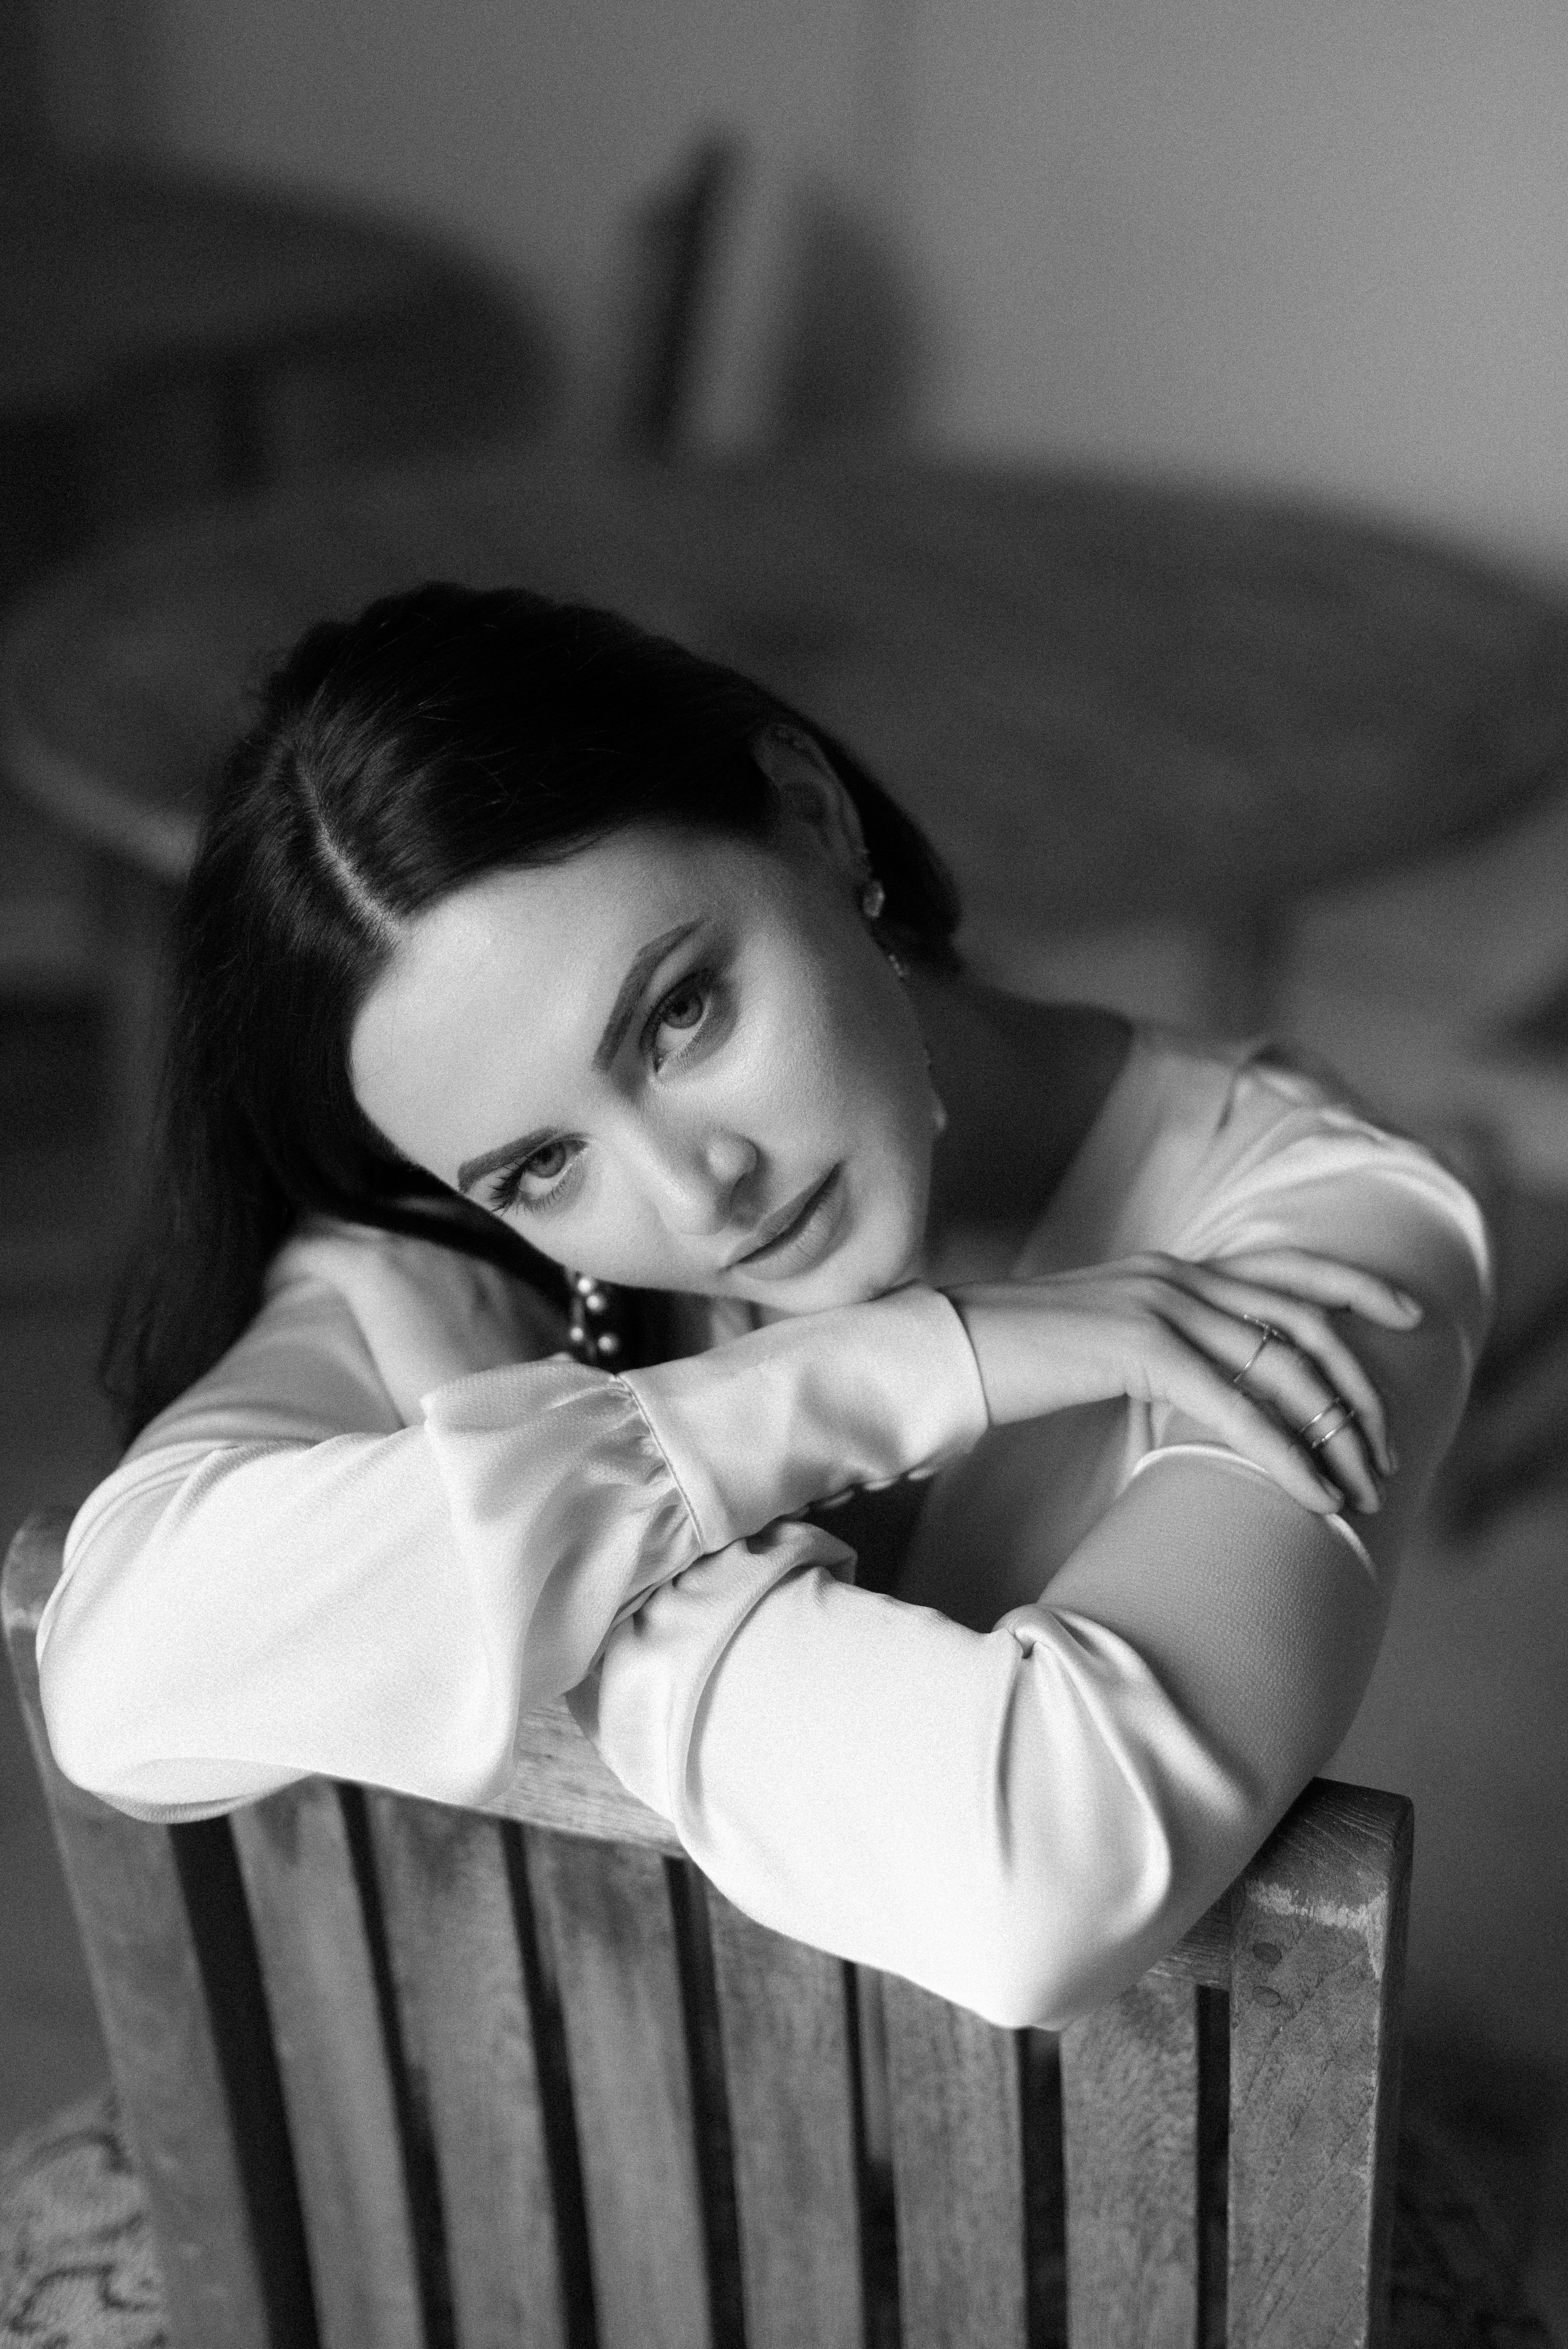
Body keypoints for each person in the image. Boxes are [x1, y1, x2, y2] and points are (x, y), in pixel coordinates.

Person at [38, 584, 1490, 2030]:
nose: (696, 1194)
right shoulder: (461, 1256)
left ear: (814, 817)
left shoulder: (1323, 1229)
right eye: (544, 1166)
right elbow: (116, 1682)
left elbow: (1043, 1875)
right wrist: (899, 1368)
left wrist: (537, 1594)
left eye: (681, 1014)